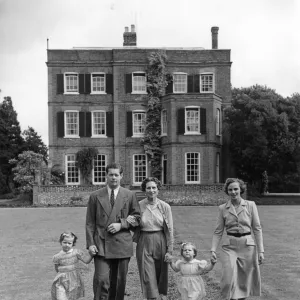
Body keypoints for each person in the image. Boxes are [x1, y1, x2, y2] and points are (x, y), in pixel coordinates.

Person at [85, 162, 141, 300]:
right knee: (101, 279)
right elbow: (90, 222)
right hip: (101, 244)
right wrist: (90, 243)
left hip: (122, 243)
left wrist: (121, 225)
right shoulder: (95, 196)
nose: (113, 177)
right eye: (111, 174)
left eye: (116, 175)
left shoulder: (129, 195)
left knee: (119, 282)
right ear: (106, 176)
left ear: (121, 176)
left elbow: (137, 218)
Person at [210, 178, 265, 300]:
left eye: (236, 189)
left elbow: (257, 228)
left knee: (244, 281)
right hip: (229, 246)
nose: (233, 192)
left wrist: (261, 251)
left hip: (247, 246)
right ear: (227, 191)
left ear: (241, 190)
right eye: (230, 190)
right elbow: (218, 231)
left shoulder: (250, 205)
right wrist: (213, 249)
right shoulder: (223, 208)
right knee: (228, 278)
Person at [127, 177, 174, 300]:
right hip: (144, 240)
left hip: (161, 240)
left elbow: (170, 230)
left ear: (158, 190)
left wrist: (170, 250)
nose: (151, 190)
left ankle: (161, 296)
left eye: (154, 188)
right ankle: (152, 298)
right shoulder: (139, 205)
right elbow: (134, 224)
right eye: (148, 188)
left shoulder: (165, 207)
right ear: (144, 190)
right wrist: (131, 222)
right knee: (147, 276)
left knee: (161, 274)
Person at [51, 231, 94, 300]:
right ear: (61, 242)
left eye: (69, 243)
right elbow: (57, 269)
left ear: (73, 244)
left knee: (72, 297)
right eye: (65, 242)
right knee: (61, 297)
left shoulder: (76, 253)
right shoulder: (57, 257)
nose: (67, 245)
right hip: (61, 280)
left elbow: (86, 261)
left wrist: (91, 254)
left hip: (74, 280)